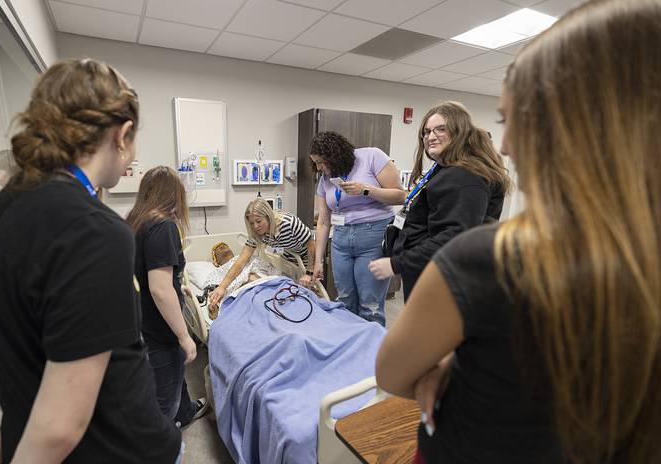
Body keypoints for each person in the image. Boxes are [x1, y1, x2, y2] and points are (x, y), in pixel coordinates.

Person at [376, 0, 661, 464]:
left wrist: (447, 360)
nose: (505, 145)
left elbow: (391, 373)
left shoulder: (492, 260)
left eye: (514, 121)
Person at [0, 58, 187, 464]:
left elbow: (23, 341)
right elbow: (61, 425)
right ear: (122, 134)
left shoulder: (4, 211)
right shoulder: (94, 232)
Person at [368, 102, 511, 301]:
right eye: (426, 132)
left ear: (459, 132)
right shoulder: (445, 169)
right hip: (428, 270)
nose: (430, 137)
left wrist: (396, 263)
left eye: (440, 129)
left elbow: (453, 239)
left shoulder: (464, 176)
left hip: (442, 277)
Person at [127, 165, 208, 429]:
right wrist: (185, 336)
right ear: (175, 194)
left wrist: (178, 286)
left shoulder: (137, 221)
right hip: (158, 329)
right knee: (164, 400)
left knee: (174, 378)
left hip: (141, 318)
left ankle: (184, 411)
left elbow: (151, 273)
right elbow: (160, 290)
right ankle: (159, 449)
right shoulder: (163, 227)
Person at [311, 132, 405, 326]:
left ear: (334, 154)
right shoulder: (325, 180)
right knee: (344, 302)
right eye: (316, 163)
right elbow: (323, 222)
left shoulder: (371, 157)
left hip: (373, 236)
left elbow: (400, 196)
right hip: (341, 240)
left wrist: (366, 189)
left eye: (321, 162)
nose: (319, 168)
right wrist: (318, 261)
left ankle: (372, 354)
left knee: (370, 307)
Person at [207, 198, 315, 311]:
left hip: (307, 259)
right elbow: (242, 259)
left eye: (258, 221)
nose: (255, 226)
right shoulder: (257, 233)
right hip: (288, 259)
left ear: (268, 216)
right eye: (252, 223)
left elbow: (311, 244)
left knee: (308, 297)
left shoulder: (289, 223)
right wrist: (222, 287)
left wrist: (309, 272)